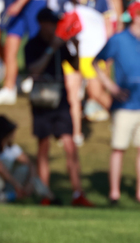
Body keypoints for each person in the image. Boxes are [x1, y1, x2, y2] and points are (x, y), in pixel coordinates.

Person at [93, 0, 140, 205]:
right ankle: (114, 194)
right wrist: (111, 87)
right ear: (136, 16)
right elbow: (97, 62)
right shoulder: (118, 40)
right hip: (124, 106)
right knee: (119, 149)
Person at [25, 7, 94, 207]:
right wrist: (50, 49)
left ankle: (77, 193)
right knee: (43, 146)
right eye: (52, 24)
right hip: (42, 101)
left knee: (69, 144)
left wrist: (75, 47)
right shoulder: (32, 45)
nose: (55, 27)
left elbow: (75, 67)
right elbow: (34, 69)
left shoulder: (60, 44)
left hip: (61, 100)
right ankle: (45, 193)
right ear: (42, 24)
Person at [57, 0, 113, 146]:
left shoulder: (101, 3)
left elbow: (108, 26)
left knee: (96, 94)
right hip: (72, 54)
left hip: (93, 54)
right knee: (71, 96)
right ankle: (75, 133)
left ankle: (120, 120)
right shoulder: (64, 3)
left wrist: (109, 54)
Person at [0, 0, 47, 105]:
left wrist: (20, 3)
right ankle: (9, 88)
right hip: (14, 6)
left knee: (37, 42)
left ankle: (37, 81)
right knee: (9, 45)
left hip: (33, 4)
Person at [0, 114, 54, 203]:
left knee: (25, 170)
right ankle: (1, 196)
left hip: (7, 183)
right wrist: (16, 185)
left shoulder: (12, 148)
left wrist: (30, 183)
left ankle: (49, 197)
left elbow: (31, 165)